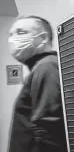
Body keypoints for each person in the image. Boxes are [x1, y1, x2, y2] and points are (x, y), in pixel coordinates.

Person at [7, 15, 67, 152]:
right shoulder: (41, 67)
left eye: (21, 32)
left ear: (43, 38)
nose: (12, 39)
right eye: (11, 34)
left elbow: (48, 131)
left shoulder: (46, 66)